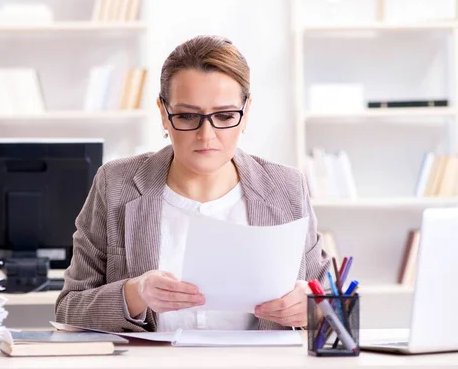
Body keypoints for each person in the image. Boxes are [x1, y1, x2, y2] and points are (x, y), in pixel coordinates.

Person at [55, 35, 331, 333]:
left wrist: (313, 307)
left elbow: (335, 303)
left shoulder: (287, 187)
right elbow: (69, 309)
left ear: (246, 112)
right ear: (163, 113)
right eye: (187, 116)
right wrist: (135, 293)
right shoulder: (116, 184)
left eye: (225, 115)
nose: (206, 134)